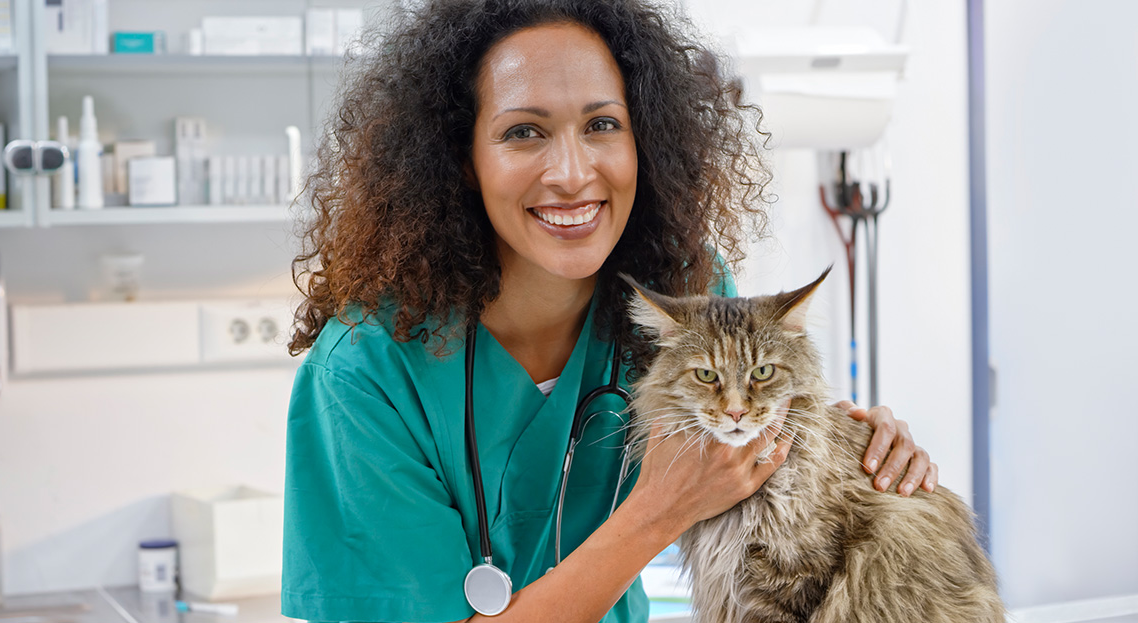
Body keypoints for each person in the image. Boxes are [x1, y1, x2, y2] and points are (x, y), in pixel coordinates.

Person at [282, 1, 938, 622]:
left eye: (602, 125)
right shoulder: (364, 373)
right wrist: (654, 511)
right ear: (462, 160)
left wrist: (856, 458)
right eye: (523, 131)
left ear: (642, 141)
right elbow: (680, 491)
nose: (572, 172)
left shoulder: (682, 291)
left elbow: (751, 469)